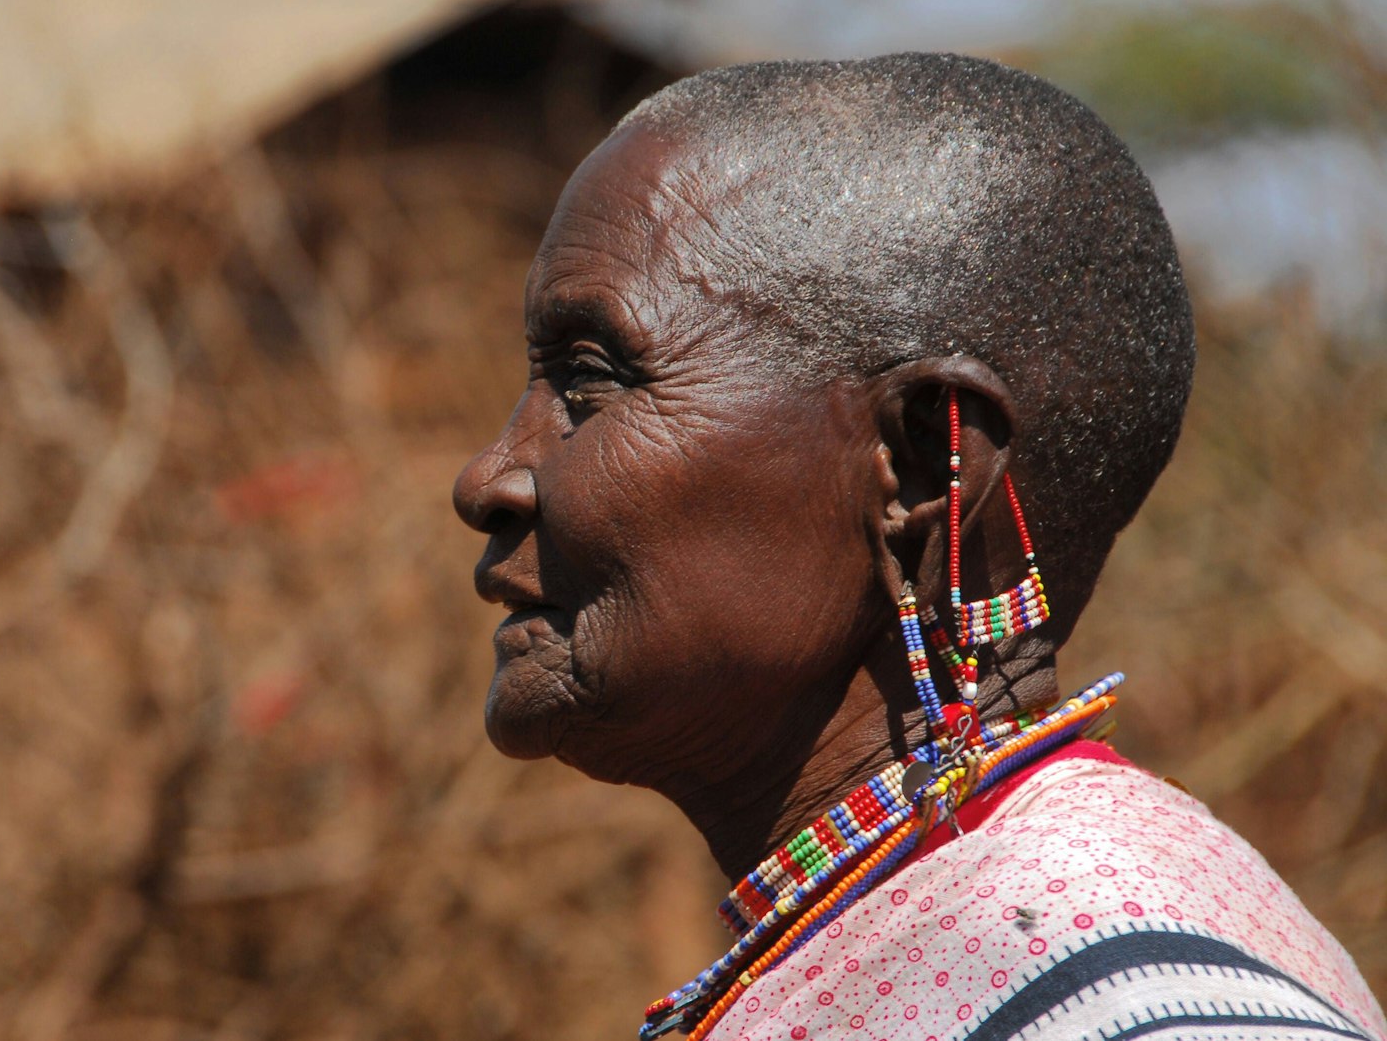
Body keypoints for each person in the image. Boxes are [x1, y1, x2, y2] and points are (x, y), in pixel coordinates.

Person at [451, 54, 1385, 1041]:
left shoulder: (1136, 1004)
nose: (487, 478)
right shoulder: (925, 932)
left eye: (590, 380)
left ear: (920, 465)